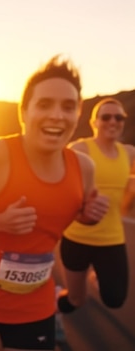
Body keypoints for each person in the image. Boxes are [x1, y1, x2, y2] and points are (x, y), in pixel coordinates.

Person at [0, 55, 109, 350]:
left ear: (78, 113)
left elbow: (77, 213)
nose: (57, 115)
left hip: (35, 304)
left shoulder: (84, 167)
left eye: (68, 107)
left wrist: (89, 215)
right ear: (24, 112)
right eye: (44, 104)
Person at [57, 98, 134, 317]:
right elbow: (62, 187)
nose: (113, 121)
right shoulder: (80, 149)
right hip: (77, 238)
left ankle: (95, 275)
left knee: (115, 299)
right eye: (106, 117)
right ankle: (54, 307)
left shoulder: (128, 152)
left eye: (119, 117)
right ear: (94, 122)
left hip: (112, 240)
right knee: (76, 299)